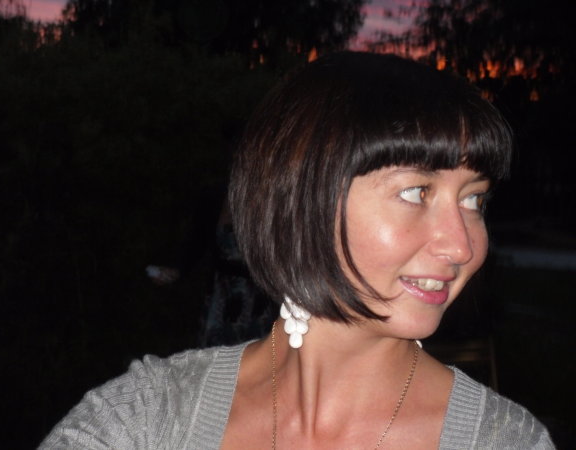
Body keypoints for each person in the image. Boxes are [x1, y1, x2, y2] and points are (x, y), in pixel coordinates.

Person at [40, 52, 554, 449]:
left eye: (474, 200)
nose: (462, 245)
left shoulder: (503, 440)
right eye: (417, 192)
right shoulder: (149, 418)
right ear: (302, 199)